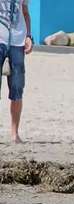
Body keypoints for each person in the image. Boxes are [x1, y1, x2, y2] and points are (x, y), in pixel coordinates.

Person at [0, 0, 33, 143]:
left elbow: (25, 11)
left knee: (17, 88)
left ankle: (14, 133)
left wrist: (28, 36)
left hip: (17, 42)